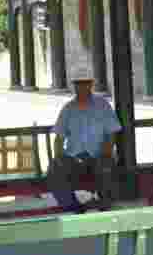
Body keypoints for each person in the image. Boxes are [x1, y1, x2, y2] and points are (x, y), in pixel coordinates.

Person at [47, 71, 121, 214]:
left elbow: (112, 133)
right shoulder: (68, 108)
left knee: (106, 166)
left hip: (98, 155)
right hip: (75, 158)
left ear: (91, 85)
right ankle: (73, 207)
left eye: (85, 83)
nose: (81, 87)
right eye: (78, 84)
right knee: (55, 168)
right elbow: (59, 138)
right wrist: (59, 157)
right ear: (74, 86)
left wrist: (106, 152)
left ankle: (104, 205)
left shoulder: (103, 105)